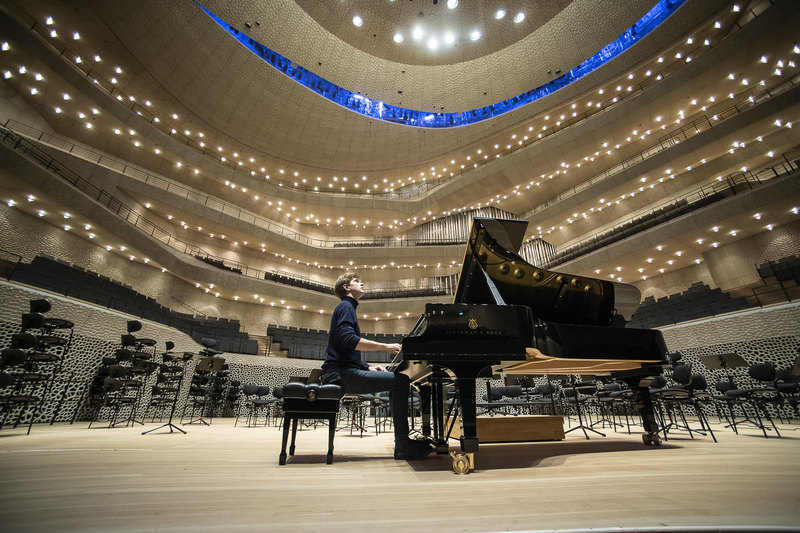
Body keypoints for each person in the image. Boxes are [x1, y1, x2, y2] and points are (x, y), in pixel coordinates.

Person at [321, 272, 433, 460]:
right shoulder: (345, 306)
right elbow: (348, 340)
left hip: (344, 371)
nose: (362, 282)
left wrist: (368, 368)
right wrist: (385, 347)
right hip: (341, 375)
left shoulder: (347, 307)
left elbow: (346, 352)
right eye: (356, 281)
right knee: (401, 381)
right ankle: (403, 445)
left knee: (398, 381)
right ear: (346, 288)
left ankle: (403, 442)